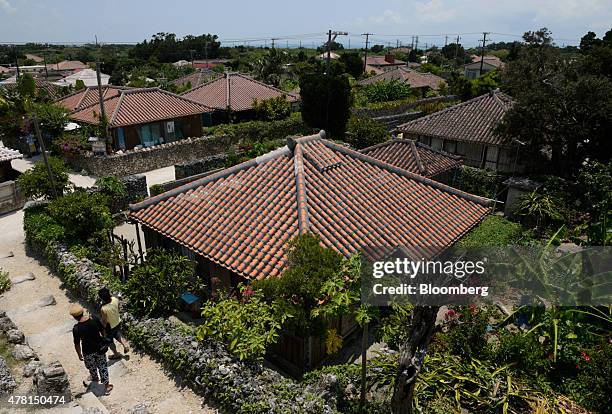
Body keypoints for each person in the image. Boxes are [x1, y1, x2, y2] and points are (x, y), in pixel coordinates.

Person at [70, 304, 113, 395]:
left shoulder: (76, 328)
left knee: (91, 366)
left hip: (87, 351)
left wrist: (79, 354)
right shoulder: (94, 319)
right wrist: (104, 340)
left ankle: (95, 378)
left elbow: (77, 344)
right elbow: (103, 330)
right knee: (103, 367)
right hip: (99, 348)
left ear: (74, 317)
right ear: (82, 312)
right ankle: (107, 386)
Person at [98, 287, 129, 359]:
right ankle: (125, 345)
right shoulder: (115, 299)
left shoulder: (104, 308)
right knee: (117, 334)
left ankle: (116, 354)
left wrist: (103, 330)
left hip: (110, 326)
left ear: (102, 298)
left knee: (110, 340)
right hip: (117, 322)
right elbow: (118, 309)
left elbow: (104, 321)